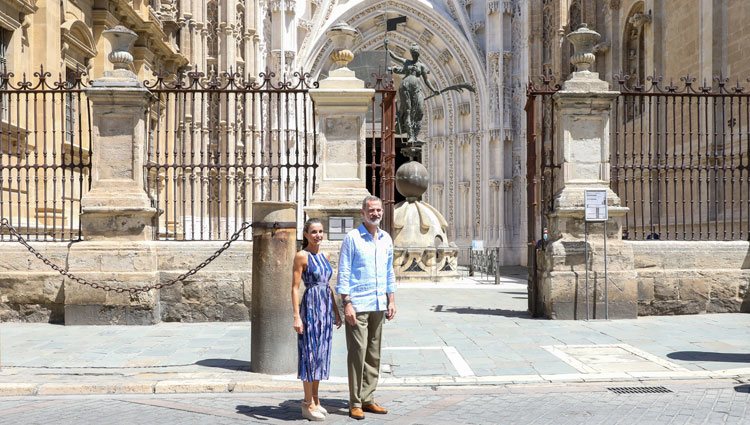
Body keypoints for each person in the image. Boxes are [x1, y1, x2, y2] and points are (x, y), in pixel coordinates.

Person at [336, 196, 397, 420]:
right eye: (371, 210)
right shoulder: (352, 238)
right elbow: (343, 271)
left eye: (379, 210)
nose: (376, 214)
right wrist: (346, 303)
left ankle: (368, 398)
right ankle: (354, 402)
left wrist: (391, 299)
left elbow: (390, 271)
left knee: (374, 354)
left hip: (379, 303)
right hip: (358, 304)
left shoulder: (386, 239)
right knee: (357, 353)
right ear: (362, 213)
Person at [292, 218, 342, 421]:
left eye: (320, 231)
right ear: (305, 234)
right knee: (309, 354)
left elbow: (327, 285)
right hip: (310, 309)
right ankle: (306, 403)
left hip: (325, 310)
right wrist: (297, 316)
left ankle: (316, 400)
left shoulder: (325, 255)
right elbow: (294, 288)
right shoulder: (301, 256)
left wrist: (336, 312)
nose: (318, 235)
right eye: (313, 232)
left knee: (321, 355)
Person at [385, 40, 440, 145]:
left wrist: (433, 90)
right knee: (408, 111)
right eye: (412, 53)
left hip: (416, 90)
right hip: (405, 88)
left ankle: (415, 135)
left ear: (418, 54)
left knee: (420, 111)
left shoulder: (422, 66)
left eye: (415, 53)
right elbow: (394, 56)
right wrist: (386, 47)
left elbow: (426, 80)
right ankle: (410, 136)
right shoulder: (407, 62)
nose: (414, 55)